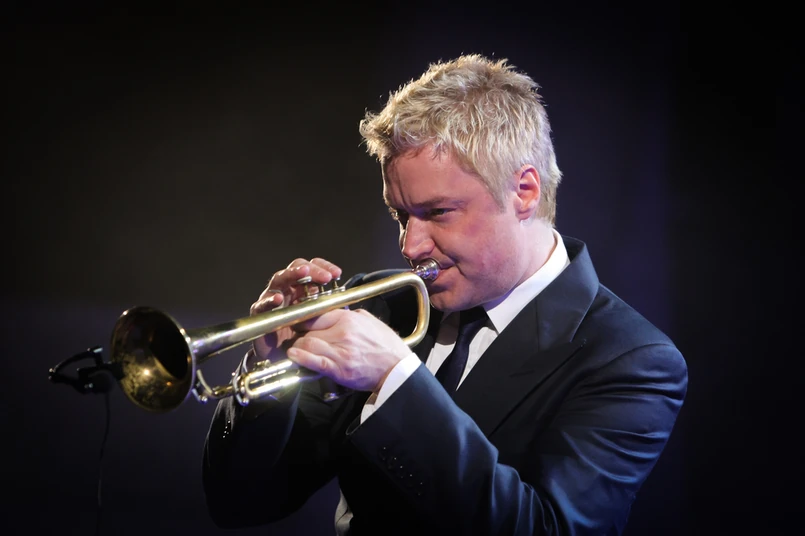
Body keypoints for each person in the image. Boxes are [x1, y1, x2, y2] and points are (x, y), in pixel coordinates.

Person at [201, 54, 688, 535]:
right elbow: (239, 503)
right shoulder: (380, 307)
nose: (410, 246)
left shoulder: (632, 361)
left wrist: (396, 379)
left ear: (524, 191)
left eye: (437, 213)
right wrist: (267, 371)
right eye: (400, 216)